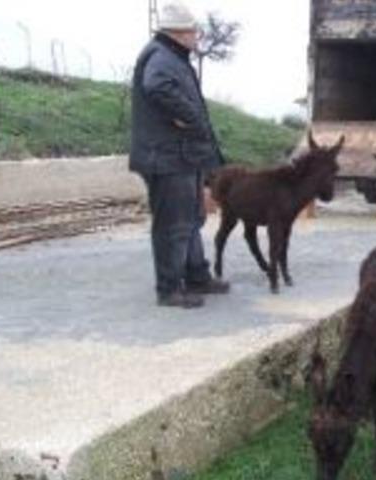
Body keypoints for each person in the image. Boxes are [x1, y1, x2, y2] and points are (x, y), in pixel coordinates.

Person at [129, 0, 229, 308]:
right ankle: (169, 289)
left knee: (191, 218)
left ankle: (197, 276)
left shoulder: (171, 55)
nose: (197, 35)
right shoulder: (161, 57)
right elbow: (157, 86)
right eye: (193, 30)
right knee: (173, 225)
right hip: (167, 157)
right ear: (180, 32)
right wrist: (188, 115)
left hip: (180, 155)